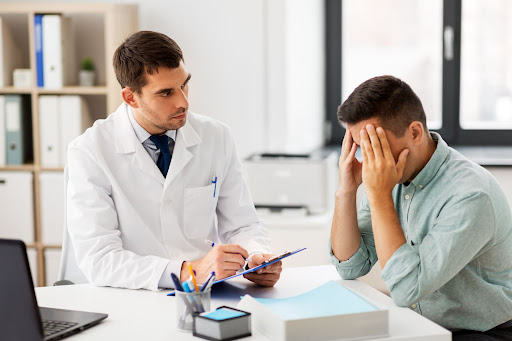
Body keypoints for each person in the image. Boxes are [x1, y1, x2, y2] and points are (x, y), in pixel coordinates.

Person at [60, 31, 281, 291]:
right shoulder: (89, 151)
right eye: (166, 93)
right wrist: (189, 271)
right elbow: (100, 259)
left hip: (202, 295)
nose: (183, 102)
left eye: (184, 85)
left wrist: (255, 258)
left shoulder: (216, 136)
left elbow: (242, 223)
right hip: (124, 296)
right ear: (131, 97)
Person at [330, 75, 512, 339]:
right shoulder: (389, 176)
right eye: (361, 146)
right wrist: (346, 190)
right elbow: (350, 266)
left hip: (481, 331)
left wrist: (379, 195)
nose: (369, 159)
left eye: (376, 144)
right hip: (421, 324)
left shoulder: (470, 193)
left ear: (414, 132)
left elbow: (406, 289)